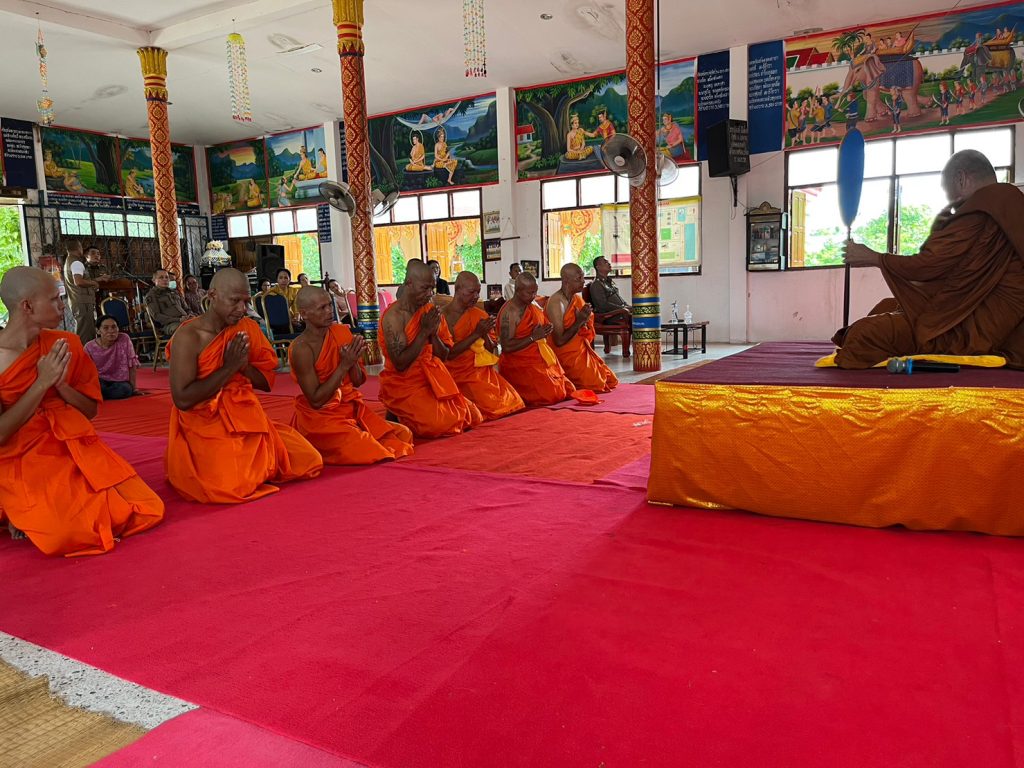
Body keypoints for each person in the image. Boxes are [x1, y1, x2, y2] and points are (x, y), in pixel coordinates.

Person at [0, 267, 163, 556]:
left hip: (72, 442)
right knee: (64, 534)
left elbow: (89, 411)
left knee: (143, 507)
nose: (63, 305)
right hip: (22, 452)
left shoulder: (65, 344)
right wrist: (42, 383)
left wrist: (61, 385)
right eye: (55, 299)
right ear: (27, 306)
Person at [834, 150, 1024, 369]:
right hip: (977, 310)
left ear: (961, 178)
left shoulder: (982, 209)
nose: (948, 198)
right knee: (885, 306)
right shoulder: (1010, 204)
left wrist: (873, 257)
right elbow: (955, 269)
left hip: (971, 325)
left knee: (864, 334)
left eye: (947, 189)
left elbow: (928, 265)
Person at [165, 268, 323, 503]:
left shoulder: (246, 328)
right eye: (235, 301)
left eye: (246, 301)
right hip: (206, 422)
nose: (242, 309)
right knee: (232, 485)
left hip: (247, 417)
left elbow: (266, 383)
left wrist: (243, 366)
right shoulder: (189, 336)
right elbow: (183, 399)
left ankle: (257, 464)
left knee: (310, 460)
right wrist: (228, 368)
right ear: (212, 295)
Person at [290, 286, 413, 464]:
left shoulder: (340, 332)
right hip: (321, 418)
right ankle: (320, 443)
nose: (329, 311)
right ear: (304, 314)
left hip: (350, 409)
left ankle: (355, 431)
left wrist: (353, 361)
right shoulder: (301, 349)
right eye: (322, 308)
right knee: (369, 448)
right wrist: (344, 365)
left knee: (403, 434)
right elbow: (316, 400)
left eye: (329, 305)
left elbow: (358, 381)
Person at [378, 261, 482, 438]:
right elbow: (400, 364)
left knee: (472, 415)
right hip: (405, 383)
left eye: (432, 288)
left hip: (433, 377)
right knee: (441, 424)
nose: (430, 294)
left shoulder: (430, 311)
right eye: (425, 288)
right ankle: (399, 412)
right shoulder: (393, 317)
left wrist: (433, 335)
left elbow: (444, 355)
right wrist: (424, 332)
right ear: (409, 283)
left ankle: (405, 414)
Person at [439, 272, 525, 421]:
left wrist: (484, 333)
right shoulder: (443, 316)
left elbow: (490, 349)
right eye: (471, 292)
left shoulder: (479, 314)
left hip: (481, 370)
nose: (476, 296)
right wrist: (477, 333)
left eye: (478, 292)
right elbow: (449, 354)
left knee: (513, 399)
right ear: (457, 289)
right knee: (491, 406)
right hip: (457, 373)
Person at [497, 272, 575, 406]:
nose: (534, 296)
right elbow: (506, 347)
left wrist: (546, 330)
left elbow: (538, 330)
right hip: (518, 363)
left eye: (535, 292)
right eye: (530, 293)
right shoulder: (510, 313)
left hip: (538, 358)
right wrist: (533, 337)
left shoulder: (531, 307)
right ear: (518, 290)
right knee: (551, 395)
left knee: (568, 389)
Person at [546, 263, 619, 393]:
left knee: (610, 379)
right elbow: (559, 341)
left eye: (583, 277)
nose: (583, 281)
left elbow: (584, 330)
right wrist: (580, 321)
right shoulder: (556, 302)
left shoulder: (576, 299)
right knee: (595, 383)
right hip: (563, 354)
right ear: (566, 280)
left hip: (579, 349)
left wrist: (585, 321)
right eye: (578, 278)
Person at [84, 314, 142, 400]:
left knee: (125, 389)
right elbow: (86, 372)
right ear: (98, 331)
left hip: (120, 381)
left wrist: (133, 388)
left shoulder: (124, 339)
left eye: (114, 327)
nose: (111, 331)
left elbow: (132, 364)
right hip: (100, 380)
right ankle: (99, 393)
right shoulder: (89, 347)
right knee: (96, 387)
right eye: (106, 328)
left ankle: (98, 395)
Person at [63, 239, 107, 345]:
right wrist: (94, 283)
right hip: (83, 302)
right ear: (79, 248)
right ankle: (83, 354)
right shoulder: (76, 262)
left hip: (79, 301)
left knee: (86, 330)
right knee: (86, 333)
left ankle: (84, 353)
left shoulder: (69, 261)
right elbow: (78, 281)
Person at [145, 269, 194, 336]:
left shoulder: (175, 292)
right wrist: (179, 319)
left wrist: (191, 315)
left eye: (167, 277)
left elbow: (187, 308)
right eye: (161, 277)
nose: (165, 279)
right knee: (186, 329)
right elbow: (157, 316)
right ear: (154, 280)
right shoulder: (151, 296)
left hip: (186, 320)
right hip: (169, 324)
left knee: (204, 325)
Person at [588, 257, 632, 325]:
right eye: (605, 262)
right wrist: (623, 308)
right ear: (598, 267)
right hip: (610, 316)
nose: (609, 264)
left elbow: (620, 300)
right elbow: (603, 305)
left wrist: (627, 306)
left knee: (640, 311)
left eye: (608, 262)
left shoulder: (607, 281)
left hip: (621, 312)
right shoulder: (596, 284)